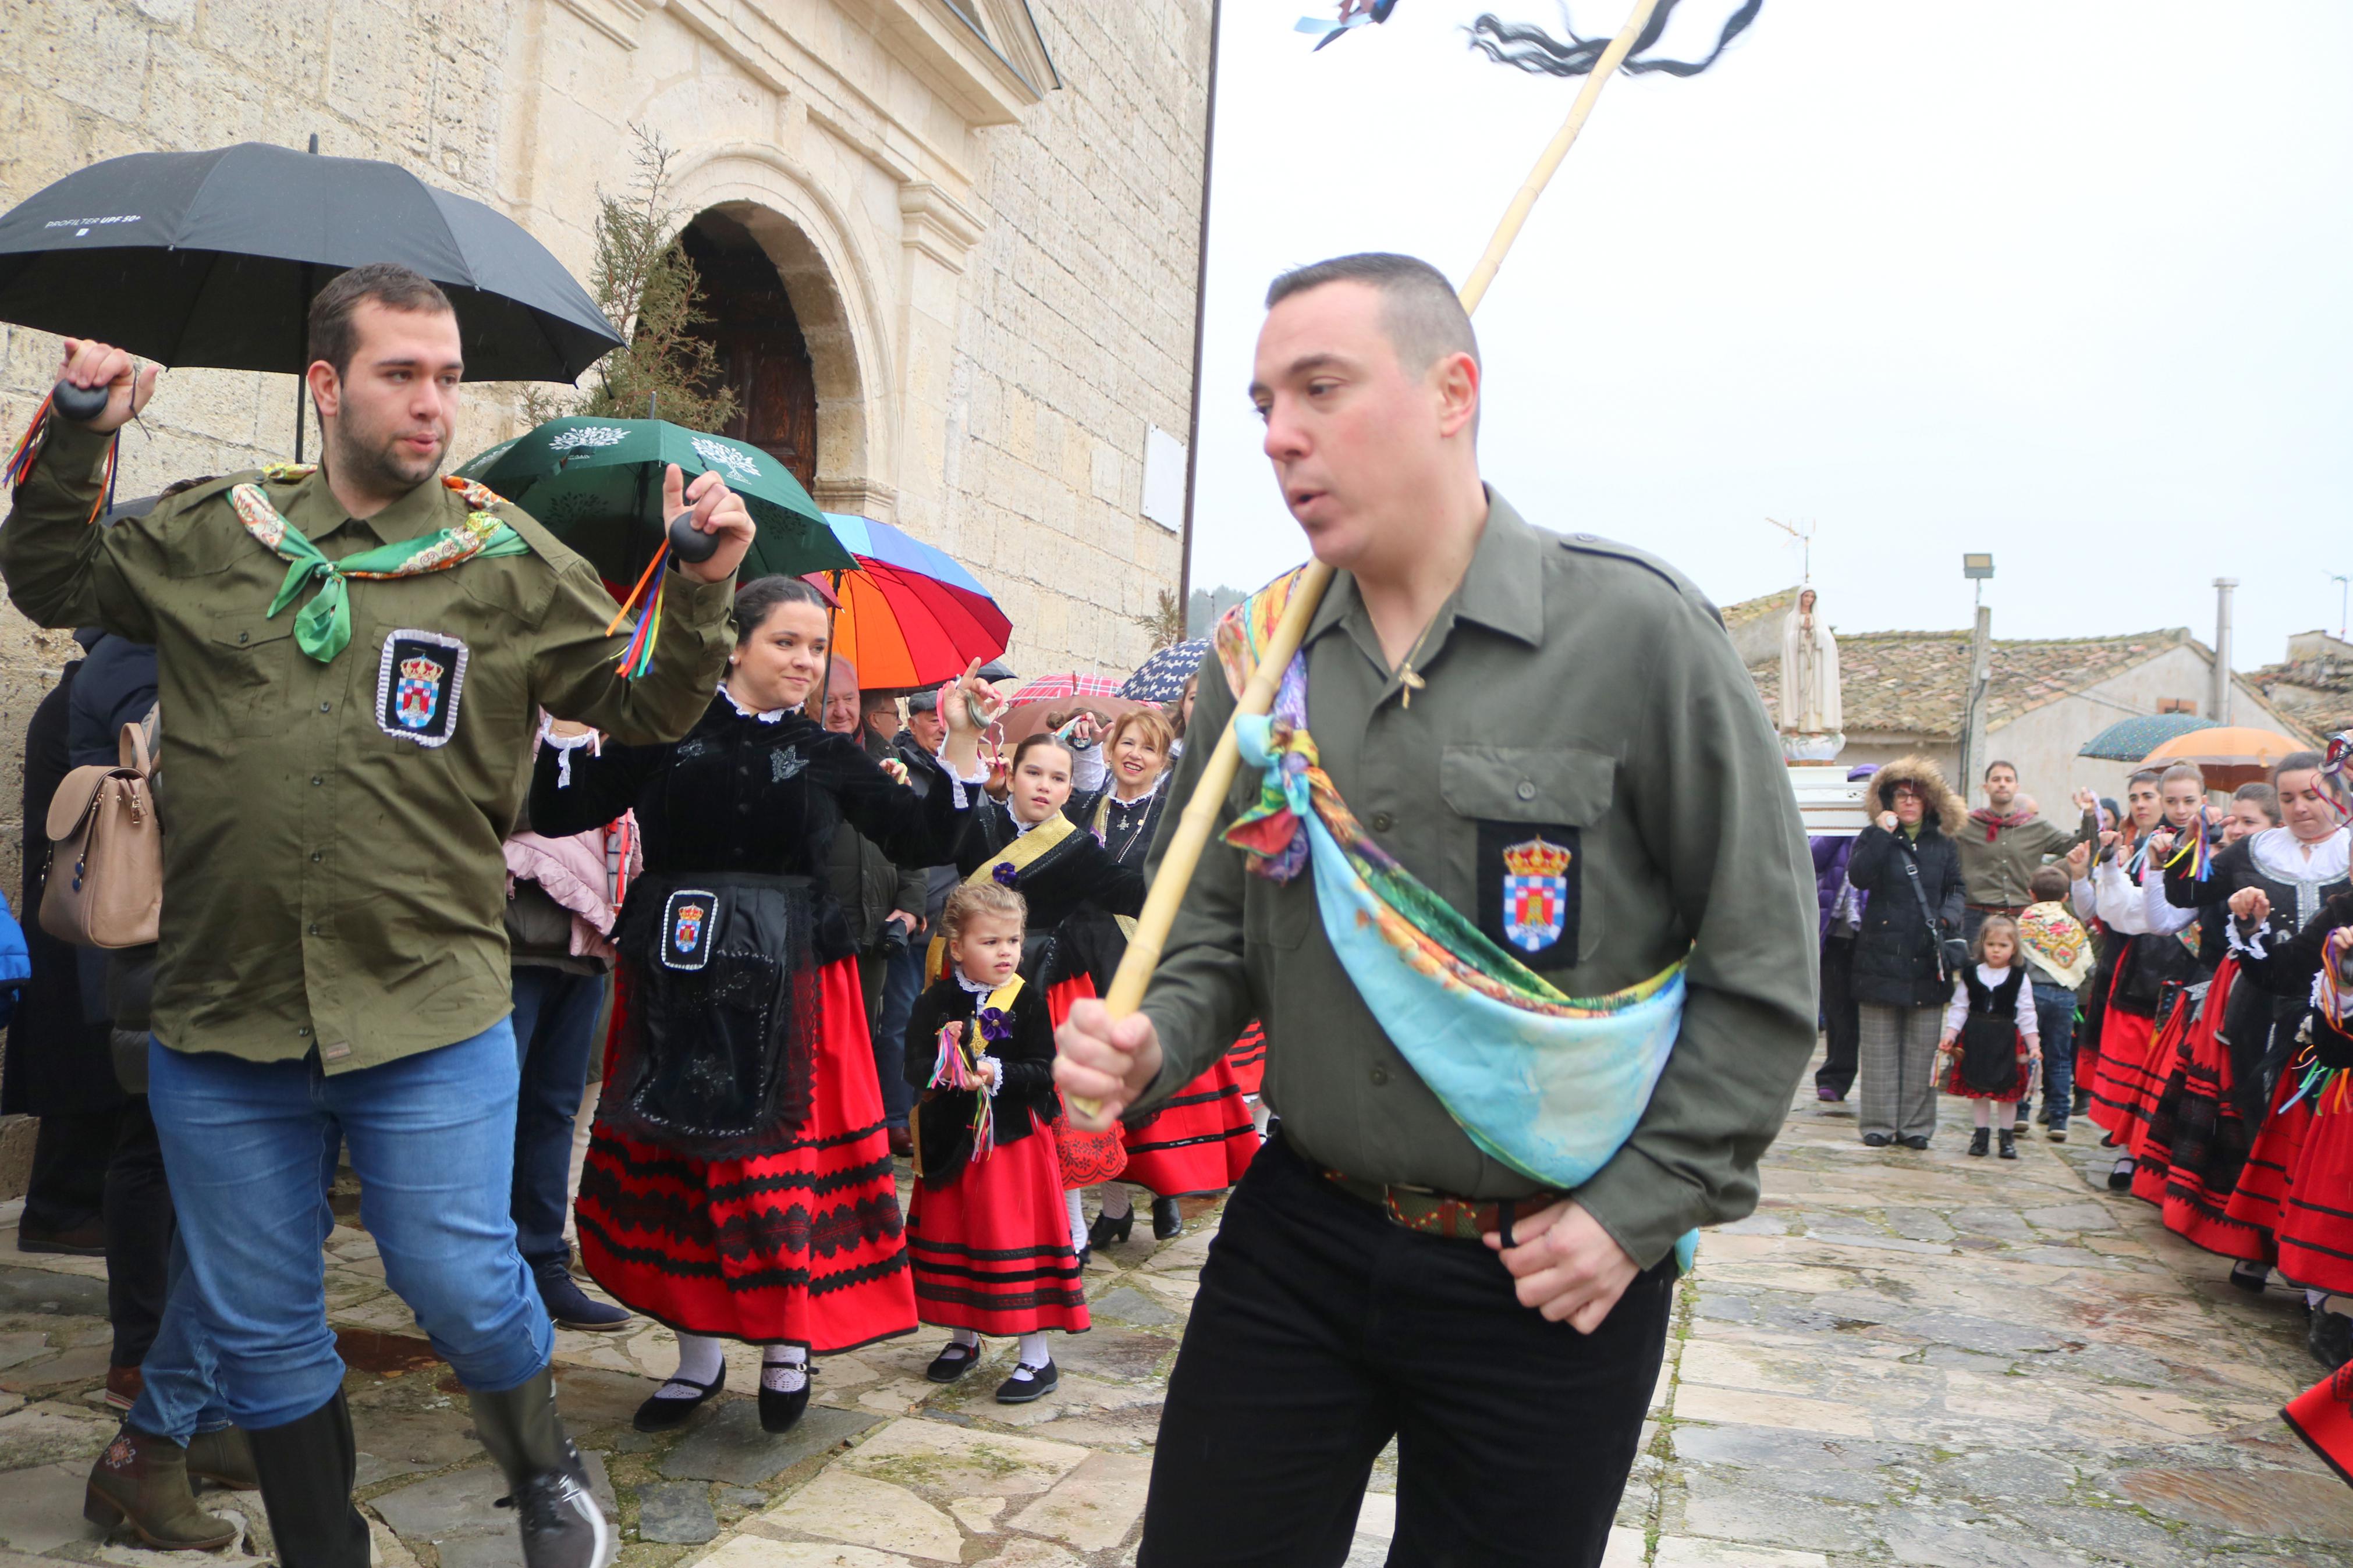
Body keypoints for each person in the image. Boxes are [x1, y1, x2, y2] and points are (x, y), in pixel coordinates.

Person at [1053, 253, 1815, 1567]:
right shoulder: (1260, 659)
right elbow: (1212, 937)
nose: (1280, 436)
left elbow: (1762, 978)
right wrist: (1152, 1041)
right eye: (1260, 405)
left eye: (1320, 389)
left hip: (1549, 1268)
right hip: (1302, 1230)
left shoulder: (1635, 642)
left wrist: (1635, 1210)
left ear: (1452, 391)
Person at [0, 265, 758, 1568]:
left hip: (424, 1004)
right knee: (263, 1318)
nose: (431, 404)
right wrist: (77, 425)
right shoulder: (213, 533)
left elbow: (639, 703)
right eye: (402, 374)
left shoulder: (506, 563)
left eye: (448, 377)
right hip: (225, 1013)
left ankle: (542, 1474)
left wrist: (695, 589)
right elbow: (53, 572)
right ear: (324, 386)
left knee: (460, 1281)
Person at [531, 577, 995, 1436]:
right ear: (735, 644)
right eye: (787, 642)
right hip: (678, 977)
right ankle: (697, 1356)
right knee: (686, 1163)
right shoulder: (663, 724)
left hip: (798, 989)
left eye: (816, 648)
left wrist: (961, 744)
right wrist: (566, 714)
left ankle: (788, 1343)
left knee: (783, 1169)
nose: (805, 662)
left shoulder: (827, 751)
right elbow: (562, 806)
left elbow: (928, 839)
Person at [1066, 709, 1258, 1249]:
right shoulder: (1087, 806)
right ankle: (1115, 1206)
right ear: (1111, 749)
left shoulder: (1172, 817)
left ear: (1162, 759)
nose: (1134, 755)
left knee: (1148, 1093)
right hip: (1085, 961)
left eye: (1147, 749)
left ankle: (1164, 1192)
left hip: (1143, 963)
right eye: (1126, 743)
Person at [953, 727, 1147, 1258]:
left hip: (1052, 989)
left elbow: (1129, 891)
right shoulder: (979, 824)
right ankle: (993, 1223)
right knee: (982, 1105)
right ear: (1010, 775)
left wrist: (1193, 873)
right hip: (977, 987)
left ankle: (1073, 1232)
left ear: (1070, 791)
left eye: (1057, 778)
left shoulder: (1077, 845)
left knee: (1060, 1115)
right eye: (1033, 772)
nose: (1043, 786)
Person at [2163, 755, 2351, 1297]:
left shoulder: (2351, 850)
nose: (2299, 808)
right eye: (2287, 798)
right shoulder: (2254, 849)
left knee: (2319, 1133)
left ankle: (2315, 1262)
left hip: (2338, 1013)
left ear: (2333, 794)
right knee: (2257, 1117)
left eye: (2309, 796)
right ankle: (2258, 1245)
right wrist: (2192, 842)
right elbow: (2184, 893)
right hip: (2262, 999)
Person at [903, 881, 1088, 1403]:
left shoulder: (1027, 999)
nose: (1006, 952)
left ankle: (1037, 1358)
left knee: (1011, 1242)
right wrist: (943, 1068)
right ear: (956, 947)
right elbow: (912, 1065)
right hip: (948, 1145)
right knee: (959, 1238)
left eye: (1013, 940)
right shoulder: (934, 1001)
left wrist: (991, 1070)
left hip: (1009, 1146)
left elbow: (1045, 1070)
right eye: (990, 942)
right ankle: (963, 1339)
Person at [502, 736, 637, 1335]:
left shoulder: (611, 730)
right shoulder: (511, 708)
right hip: (509, 939)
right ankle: (481, 1269)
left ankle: (543, 1262)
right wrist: (566, 759)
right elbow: (489, 801)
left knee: (555, 1110)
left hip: (585, 946)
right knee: (489, 1111)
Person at [5, 639, 125, 1259]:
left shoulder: (73, 702)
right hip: (77, 912)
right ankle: (60, 1209)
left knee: (96, 1063)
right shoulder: (74, 707)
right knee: (82, 1065)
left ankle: (81, 1205)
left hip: (82, 909)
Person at [2085, 762, 2210, 1188]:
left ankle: (2169, 1162)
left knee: (2176, 1070)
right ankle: (2127, 1152)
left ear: (2203, 801)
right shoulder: (2146, 848)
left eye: (2187, 801)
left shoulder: (2217, 847)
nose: (2178, 809)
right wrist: (2106, 866)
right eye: (2170, 800)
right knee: (2143, 1066)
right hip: (2148, 967)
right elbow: (2124, 910)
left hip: (2196, 971)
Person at [821, 656, 927, 1153]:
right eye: (829, 701)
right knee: (814, 1042)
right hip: (820, 923)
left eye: (849, 700)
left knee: (859, 1041)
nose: (841, 712)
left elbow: (913, 841)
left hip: (877, 924)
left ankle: (850, 1146)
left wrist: (909, 905)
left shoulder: (888, 759)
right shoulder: (802, 755)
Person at [1846, 757, 1967, 1150]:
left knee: (1921, 1047)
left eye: (1916, 796)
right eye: (1901, 795)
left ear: (1930, 802)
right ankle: (1878, 1124)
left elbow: (1956, 889)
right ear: (1889, 799)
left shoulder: (1943, 844)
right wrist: (1882, 836)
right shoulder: (1872, 836)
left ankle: (1916, 1126)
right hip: (1879, 954)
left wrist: (1947, 920)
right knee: (1878, 1046)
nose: (1909, 802)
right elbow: (1858, 876)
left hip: (1925, 955)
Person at [879, 690, 960, 1157]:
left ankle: (929, 1110)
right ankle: (894, 1116)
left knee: (944, 1022)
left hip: (956, 921)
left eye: (946, 719)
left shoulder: (960, 765)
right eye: (932, 718)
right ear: (913, 720)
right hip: (919, 917)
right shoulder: (902, 764)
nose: (942, 727)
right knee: (901, 1020)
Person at [1936, 915, 2042, 1159]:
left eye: (2003, 946)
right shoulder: (1972, 973)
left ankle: (2007, 1139)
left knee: (2008, 1093)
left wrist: (2034, 1046)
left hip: (2006, 1039)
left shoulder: (2019, 977)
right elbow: (1960, 1006)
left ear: (2014, 948)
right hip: (1976, 1038)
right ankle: (1980, 1136)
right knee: (1979, 1090)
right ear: (1982, 945)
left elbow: (2027, 1013)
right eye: (1991, 944)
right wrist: (1951, 1035)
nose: (1996, 950)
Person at [1957, 762, 2096, 941]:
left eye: (2008, 780)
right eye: (1996, 779)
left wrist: (2089, 815)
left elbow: (2080, 847)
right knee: (1974, 969)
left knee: (2023, 969)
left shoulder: (2036, 827)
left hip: (2023, 918)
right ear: (1986, 787)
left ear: (2017, 787)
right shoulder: (1966, 825)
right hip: (1976, 919)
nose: (2002, 784)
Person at [1811, 762, 1878, 1103]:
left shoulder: (1886, 830)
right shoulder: (1832, 827)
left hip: (1874, 936)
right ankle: (1835, 1077)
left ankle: (1878, 1082)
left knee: (1873, 1010)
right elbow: (1812, 858)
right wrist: (1841, 825)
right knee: (1837, 1009)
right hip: (1835, 934)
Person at [2017, 865, 2093, 1144]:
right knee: (2060, 1057)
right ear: (2065, 897)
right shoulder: (2073, 925)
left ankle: (2020, 1112)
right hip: (2065, 998)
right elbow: (2088, 964)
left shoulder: (2024, 922)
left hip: (2029, 995)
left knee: (2026, 1053)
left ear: (2031, 894)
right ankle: (2059, 1118)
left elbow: (2015, 960)